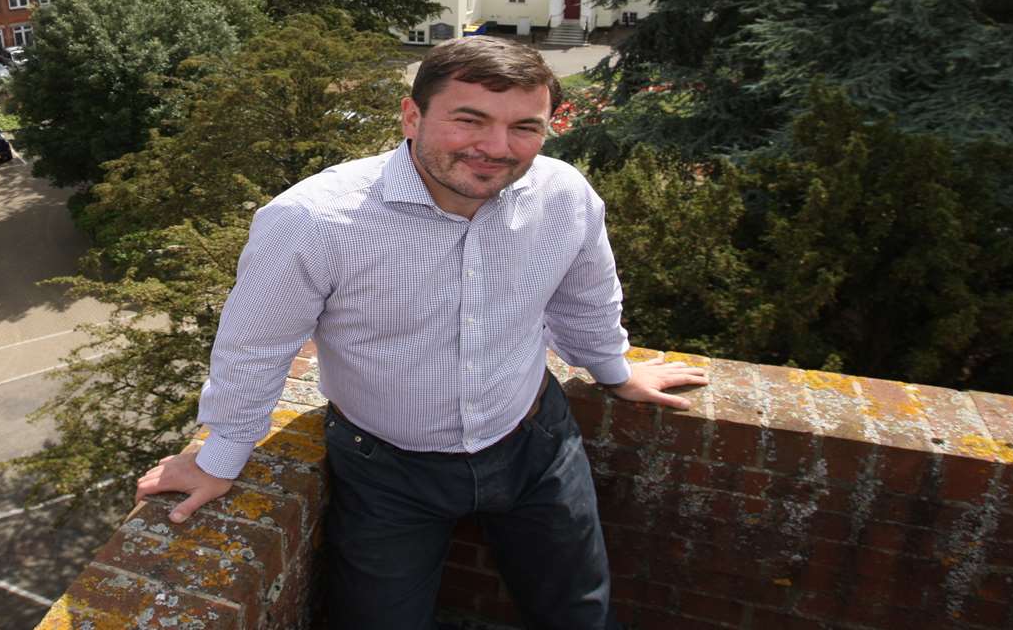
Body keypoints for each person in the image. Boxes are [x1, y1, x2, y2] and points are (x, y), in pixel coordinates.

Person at [135, 36, 707, 629]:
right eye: (469, 120)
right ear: (411, 116)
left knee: (580, 614)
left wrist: (615, 369)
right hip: (387, 471)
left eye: (524, 127)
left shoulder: (563, 195)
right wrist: (220, 457)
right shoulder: (311, 220)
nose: (495, 148)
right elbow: (255, 347)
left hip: (536, 446)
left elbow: (585, 299)